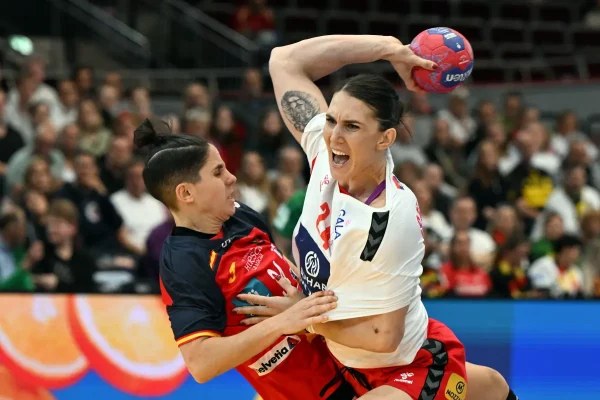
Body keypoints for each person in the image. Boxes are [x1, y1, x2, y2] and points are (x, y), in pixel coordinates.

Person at [237, 34, 517, 400]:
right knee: (492, 386)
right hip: (340, 359)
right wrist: (388, 49)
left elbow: (385, 337)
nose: (334, 136)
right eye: (332, 120)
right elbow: (284, 61)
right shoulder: (325, 156)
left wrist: (303, 318)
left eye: (352, 126)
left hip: (406, 365)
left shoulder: (389, 217)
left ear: (385, 139)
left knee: (489, 387)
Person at [133, 118, 355, 400]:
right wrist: (285, 321)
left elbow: (286, 268)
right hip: (314, 391)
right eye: (218, 172)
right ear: (186, 193)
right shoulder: (183, 263)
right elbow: (201, 364)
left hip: (350, 357)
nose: (231, 178)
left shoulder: (240, 214)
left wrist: (304, 303)